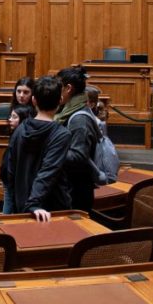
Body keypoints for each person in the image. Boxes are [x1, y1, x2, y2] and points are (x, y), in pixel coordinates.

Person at [3, 75, 71, 221]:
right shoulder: (61, 134)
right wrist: (33, 204)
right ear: (60, 100)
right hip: (48, 206)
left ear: (33, 100)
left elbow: (11, 169)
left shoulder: (20, 128)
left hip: (22, 201)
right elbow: (48, 171)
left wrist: (20, 202)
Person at [55, 64, 105, 213]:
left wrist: (49, 152)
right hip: (70, 186)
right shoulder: (68, 110)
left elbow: (78, 156)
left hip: (76, 191)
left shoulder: (79, 119)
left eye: (59, 87)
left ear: (68, 88)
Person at [0, 104, 35, 213]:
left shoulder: (22, 135)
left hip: (13, 179)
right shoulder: (18, 133)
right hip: (10, 178)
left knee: (9, 204)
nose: (10, 119)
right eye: (10, 116)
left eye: (14, 117)